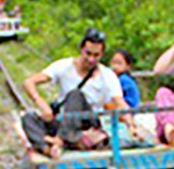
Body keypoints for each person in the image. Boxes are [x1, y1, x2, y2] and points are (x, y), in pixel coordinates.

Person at [20, 28, 135, 159]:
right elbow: (29, 82)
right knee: (28, 117)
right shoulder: (64, 66)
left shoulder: (107, 76)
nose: (91, 59)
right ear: (81, 50)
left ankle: (60, 141)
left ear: (101, 55)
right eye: (88, 54)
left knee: (75, 95)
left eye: (96, 55)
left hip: (88, 121)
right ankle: (49, 148)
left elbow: (119, 102)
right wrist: (40, 102)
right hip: (65, 121)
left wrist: (131, 124)